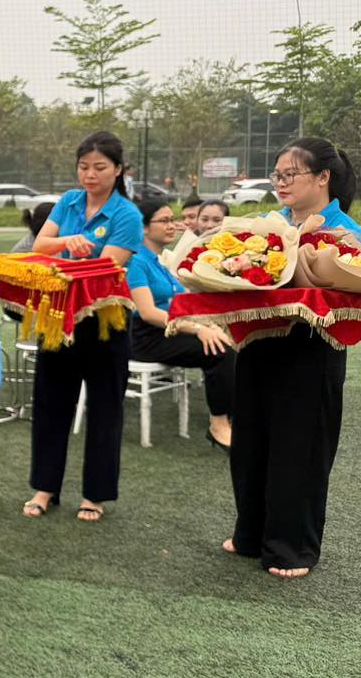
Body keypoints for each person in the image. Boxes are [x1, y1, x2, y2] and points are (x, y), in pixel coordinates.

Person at [224, 138, 359, 578]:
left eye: (290, 174)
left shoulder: (346, 233)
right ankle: (250, 534)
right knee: (250, 441)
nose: (281, 183)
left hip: (311, 349)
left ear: (323, 177)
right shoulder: (268, 226)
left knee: (300, 447)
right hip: (258, 342)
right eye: (277, 175)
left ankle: (292, 547)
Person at [24, 132, 143, 523]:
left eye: (100, 167)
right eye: (84, 167)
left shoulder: (126, 214)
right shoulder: (69, 201)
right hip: (59, 315)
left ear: (118, 170)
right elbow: (39, 245)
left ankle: (95, 494)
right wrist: (68, 241)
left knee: (105, 407)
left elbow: (106, 268)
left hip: (105, 320)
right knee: (50, 402)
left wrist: (67, 251)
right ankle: (45, 487)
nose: (90, 175)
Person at [126, 198, 236, 450]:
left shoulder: (158, 262)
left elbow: (183, 303)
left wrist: (209, 324)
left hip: (169, 331)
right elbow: (148, 313)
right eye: (164, 221)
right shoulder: (136, 262)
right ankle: (218, 425)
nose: (172, 225)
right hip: (147, 338)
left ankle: (234, 417)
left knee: (230, 340)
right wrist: (197, 329)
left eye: (171, 219)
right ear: (144, 227)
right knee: (219, 351)